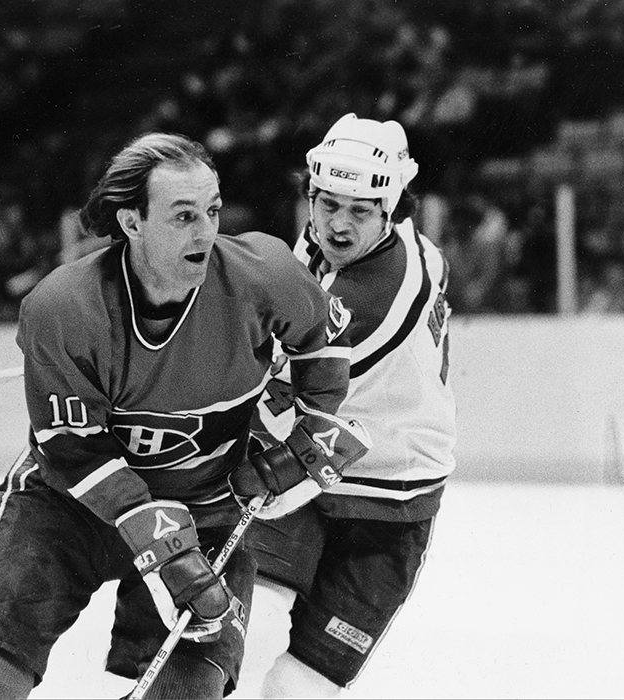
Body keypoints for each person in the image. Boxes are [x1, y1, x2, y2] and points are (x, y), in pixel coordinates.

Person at [0, 132, 369, 699]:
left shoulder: (265, 275)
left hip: (208, 506)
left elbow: (323, 338)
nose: (205, 232)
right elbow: (72, 448)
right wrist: (151, 528)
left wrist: (312, 425)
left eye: (212, 211)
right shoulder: (63, 309)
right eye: (183, 216)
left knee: (185, 691)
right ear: (131, 222)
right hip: (69, 509)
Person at [231, 113, 457, 698]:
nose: (336, 224)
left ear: (390, 208)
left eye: (359, 211)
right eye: (328, 204)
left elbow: (273, 385)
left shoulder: (377, 291)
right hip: (312, 471)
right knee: (247, 630)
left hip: (390, 498)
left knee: (299, 685)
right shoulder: (376, 244)